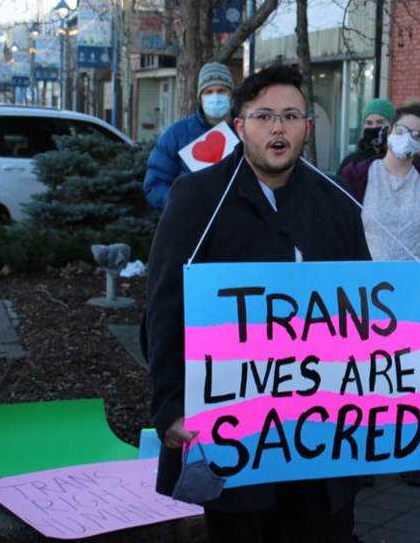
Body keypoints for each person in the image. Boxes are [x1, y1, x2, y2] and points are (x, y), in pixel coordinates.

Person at [144, 64, 371, 542]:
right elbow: (166, 307)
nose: (277, 128)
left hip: (323, 436)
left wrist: (400, 398)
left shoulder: (336, 199)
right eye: (264, 116)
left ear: (307, 127)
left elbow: (366, 314)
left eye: (291, 116)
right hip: (237, 436)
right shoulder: (197, 197)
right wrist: (168, 406)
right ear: (238, 124)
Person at [340, 100, 420, 487]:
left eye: (417, 134)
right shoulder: (357, 175)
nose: (408, 139)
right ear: (389, 133)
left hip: (415, 288)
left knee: (408, 375)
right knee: (361, 374)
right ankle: (361, 455)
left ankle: (407, 451)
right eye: (402, 130)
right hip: (365, 290)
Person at [143, 61, 236, 211]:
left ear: (231, 94)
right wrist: (180, 206)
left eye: (221, 90)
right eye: (208, 92)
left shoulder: (247, 132)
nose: (215, 97)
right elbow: (155, 183)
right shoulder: (177, 134)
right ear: (200, 97)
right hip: (191, 225)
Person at [337, 98, 394, 173]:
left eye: (380, 122)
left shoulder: (399, 161)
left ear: (392, 126)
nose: (374, 127)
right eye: (369, 123)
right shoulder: (352, 163)